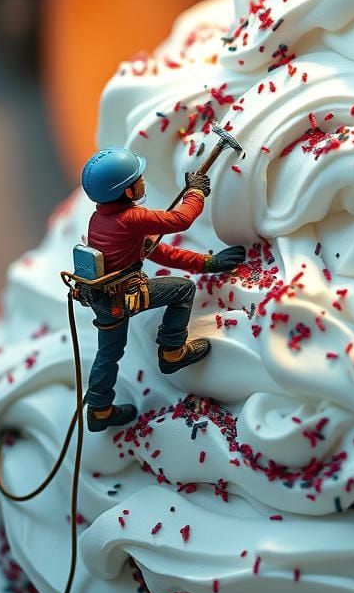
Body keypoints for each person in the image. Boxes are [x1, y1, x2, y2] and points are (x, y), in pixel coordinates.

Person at [79, 147, 245, 432]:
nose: (143, 181)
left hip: (102, 298)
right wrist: (195, 192)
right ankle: (172, 352)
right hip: (121, 297)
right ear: (128, 192)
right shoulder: (130, 219)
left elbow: (154, 251)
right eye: (138, 178)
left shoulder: (101, 219)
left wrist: (207, 262)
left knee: (109, 352)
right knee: (182, 290)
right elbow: (180, 220)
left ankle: (99, 408)